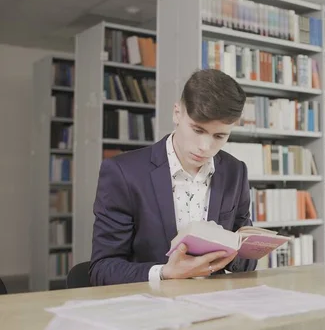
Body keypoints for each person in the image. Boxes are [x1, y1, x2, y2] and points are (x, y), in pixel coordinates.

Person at [89, 69, 257, 286]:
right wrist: (166, 272)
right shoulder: (123, 172)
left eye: (219, 136)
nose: (205, 147)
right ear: (177, 113)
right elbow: (102, 269)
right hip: (148, 307)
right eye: (197, 130)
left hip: (215, 304)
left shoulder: (235, 171)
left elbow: (245, 263)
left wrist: (242, 253)